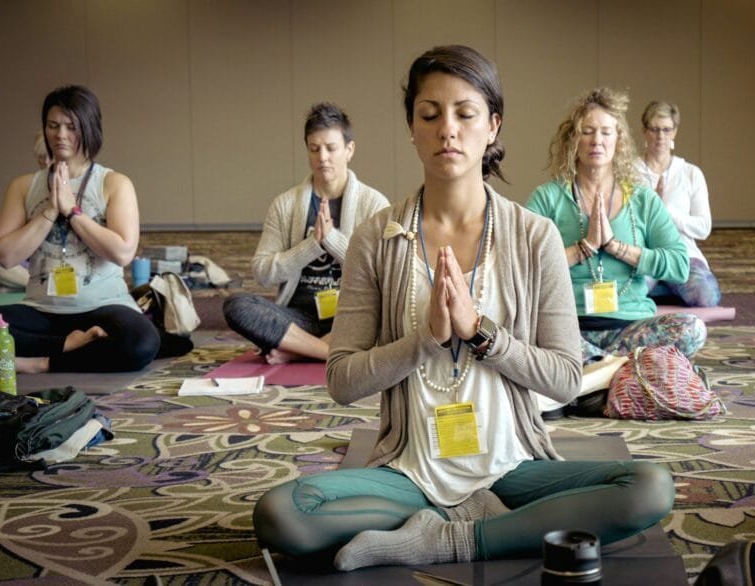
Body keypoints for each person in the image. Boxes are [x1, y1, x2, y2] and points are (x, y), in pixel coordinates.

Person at [252, 46, 674, 572]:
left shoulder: (533, 235)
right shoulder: (373, 239)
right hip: (410, 471)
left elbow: (565, 379)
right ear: (411, 127)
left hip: (511, 468)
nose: (447, 129)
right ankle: (485, 525)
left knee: (649, 487)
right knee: (282, 514)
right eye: (429, 115)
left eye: (465, 114)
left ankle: (453, 539)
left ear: (493, 126)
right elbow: (342, 380)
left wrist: (482, 334)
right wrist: (421, 343)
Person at [527, 88, 706, 366]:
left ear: (618, 139)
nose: (596, 140)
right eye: (587, 131)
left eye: (606, 132)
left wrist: (616, 247)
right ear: (573, 138)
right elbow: (522, 266)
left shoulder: (642, 198)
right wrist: (582, 248)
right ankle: (621, 370)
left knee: (692, 329)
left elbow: (680, 265)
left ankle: (594, 371)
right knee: (524, 334)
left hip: (630, 327)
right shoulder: (547, 197)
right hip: (568, 327)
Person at [0, 84, 160, 373]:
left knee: (141, 342)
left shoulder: (114, 183)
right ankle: (68, 346)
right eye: (53, 126)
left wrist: (73, 211)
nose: (61, 135)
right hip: (41, 309)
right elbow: (5, 255)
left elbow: (123, 252)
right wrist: (49, 211)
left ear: (90, 128)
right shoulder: (23, 186)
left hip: (105, 306)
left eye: (71, 126)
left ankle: (41, 362)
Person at [223, 102, 389, 364]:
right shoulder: (285, 204)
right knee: (237, 306)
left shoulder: (374, 204)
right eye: (314, 149)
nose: (322, 157)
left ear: (349, 150)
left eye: (331, 148)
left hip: (351, 316)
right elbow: (263, 272)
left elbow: (382, 273)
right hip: (299, 319)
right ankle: (325, 351)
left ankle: (297, 351)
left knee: (389, 316)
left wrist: (332, 241)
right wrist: (311, 246)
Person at [634, 100, 721, 307]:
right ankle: (667, 288)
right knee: (619, 298)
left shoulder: (690, 173)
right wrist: (650, 211)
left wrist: (666, 212)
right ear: (644, 131)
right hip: (644, 254)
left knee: (707, 297)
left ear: (674, 132)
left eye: (666, 129)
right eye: (654, 129)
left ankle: (662, 288)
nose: (660, 136)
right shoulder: (629, 172)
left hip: (681, 254)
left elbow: (703, 228)